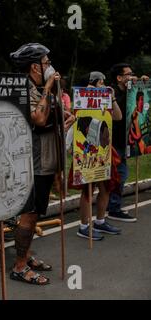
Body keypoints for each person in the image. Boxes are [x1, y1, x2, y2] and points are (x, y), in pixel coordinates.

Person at [9, 43, 75, 285]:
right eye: (47, 63)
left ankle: (25, 258)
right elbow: (37, 118)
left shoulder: (38, 87)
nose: (51, 67)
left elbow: (51, 115)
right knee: (29, 215)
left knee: (35, 214)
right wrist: (48, 87)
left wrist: (64, 118)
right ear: (35, 66)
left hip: (47, 160)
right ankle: (18, 267)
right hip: (32, 162)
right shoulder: (23, 89)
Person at [69, 71, 123, 240]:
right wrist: (87, 93)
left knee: (106, 187)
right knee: (87, 190)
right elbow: (75, 117)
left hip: (104, 152)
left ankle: (100, 221)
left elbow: (118, 116)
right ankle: (84, 226)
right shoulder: (81, 98)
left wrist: (112, 98)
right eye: (101, 83)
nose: (103, 86)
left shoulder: (106, 99)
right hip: (86, 152)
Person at [107, 63, 149, 222]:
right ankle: (114, 208)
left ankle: (111, 204)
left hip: (125, 140)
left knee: (119, 174)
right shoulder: (113, 93)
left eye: (133, 73)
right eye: (128, 74)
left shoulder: (130, 91)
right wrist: (132, 87)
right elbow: (120, 112)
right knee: (120, 174)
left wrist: (142, 85)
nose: (133, 76)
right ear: (119, 78)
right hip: (113, 141)